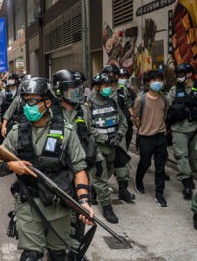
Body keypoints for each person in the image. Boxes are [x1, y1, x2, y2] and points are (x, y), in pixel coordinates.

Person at [1, 77, 94, 260]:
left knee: (58, 254)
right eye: (25, 101)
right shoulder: (16, 133)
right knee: (30, 256)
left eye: (33, 101)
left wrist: (83, 201)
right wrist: (11, 165)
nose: (29, 105)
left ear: (48, 102)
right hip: (29, 205)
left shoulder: (66, 132)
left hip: (58, 207)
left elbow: (79, 169)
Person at [52, 70, 96, 257]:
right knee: (59, 213)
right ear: (60, 90)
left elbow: (89, 136)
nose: (76, 92)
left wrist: (96, 160)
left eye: (77, 88)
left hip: (80, 170)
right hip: (58, 172)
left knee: (81, 210)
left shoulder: (83, 110)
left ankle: (75, 248)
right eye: (71, 89)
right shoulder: (51, 111)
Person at [84, 73, 133, 224]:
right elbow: (89, 129)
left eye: (110, 85)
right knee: (101, 176)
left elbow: (123, 121)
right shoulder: (88, 106)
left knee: (109, 172)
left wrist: (118, 135)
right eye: (105, 86)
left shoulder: (113, 102)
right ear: (97, 87)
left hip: (113, 146)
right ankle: (107, 206)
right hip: (98, 147)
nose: (108, 88)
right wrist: (105, 138)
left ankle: (93, 188)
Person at [132, 70, 169, 207]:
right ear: (147, 82)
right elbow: (136, 118)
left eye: (159, 80)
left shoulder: (165, 99)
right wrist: (142, 129)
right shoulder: (140, 99)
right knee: (145, 163)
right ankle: (138, 181)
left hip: (160, 137)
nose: (157, 83)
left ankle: (159, 194)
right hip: (145, 137)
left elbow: (164, 116)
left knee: (160, 167)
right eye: (154, 80)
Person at [166, 63, 197, 200]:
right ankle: (187, 183)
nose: (179, 77)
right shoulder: (174, 90)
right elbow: (167, 105)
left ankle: (189, 175)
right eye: (177, 74)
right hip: (178, 129)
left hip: (195, 128)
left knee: (193, 157)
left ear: (189, 74)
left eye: (181, 74)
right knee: (181, 155)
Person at [0, 73, 19, 139]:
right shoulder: (3, 92)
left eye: (12, 79)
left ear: (16, 80)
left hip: (17, 118)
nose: (10, 81)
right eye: (9, 79)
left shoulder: (19, 91)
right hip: (6, 119)